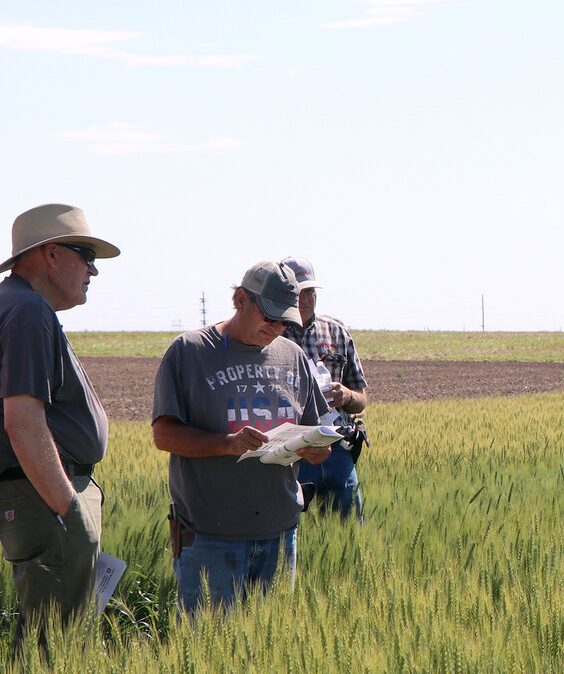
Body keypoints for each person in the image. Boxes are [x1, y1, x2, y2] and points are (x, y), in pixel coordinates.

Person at [152, 261, 332, 613]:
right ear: (240, 300)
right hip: (209, 538)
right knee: (207, 651)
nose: (276, 327)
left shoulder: (293, 357)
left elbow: (315, 431)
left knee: (272, 650)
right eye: (269, 316)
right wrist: (228, 443)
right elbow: (164, 435)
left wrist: (315, 451)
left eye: (284, 321)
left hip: (280, 532)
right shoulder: (190, 352)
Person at [0, 204, 119, 649]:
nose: (93, 270)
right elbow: (23, 422)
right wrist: (68, 508)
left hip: (37, 496)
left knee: (49, 642)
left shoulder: (17, 305)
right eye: (84, 255)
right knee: (55, 647)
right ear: (50, 255)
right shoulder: (27, 310)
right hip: (45, 498)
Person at [279, 256, 368, 521]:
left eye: (310, 291)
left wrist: (347, 396)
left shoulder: (338, 333)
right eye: (296, 292)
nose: (304, 299)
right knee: (292, 536)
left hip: (338, 451)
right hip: (291, 456)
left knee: (348, 535)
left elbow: (362, 400)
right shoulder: (270, 335)